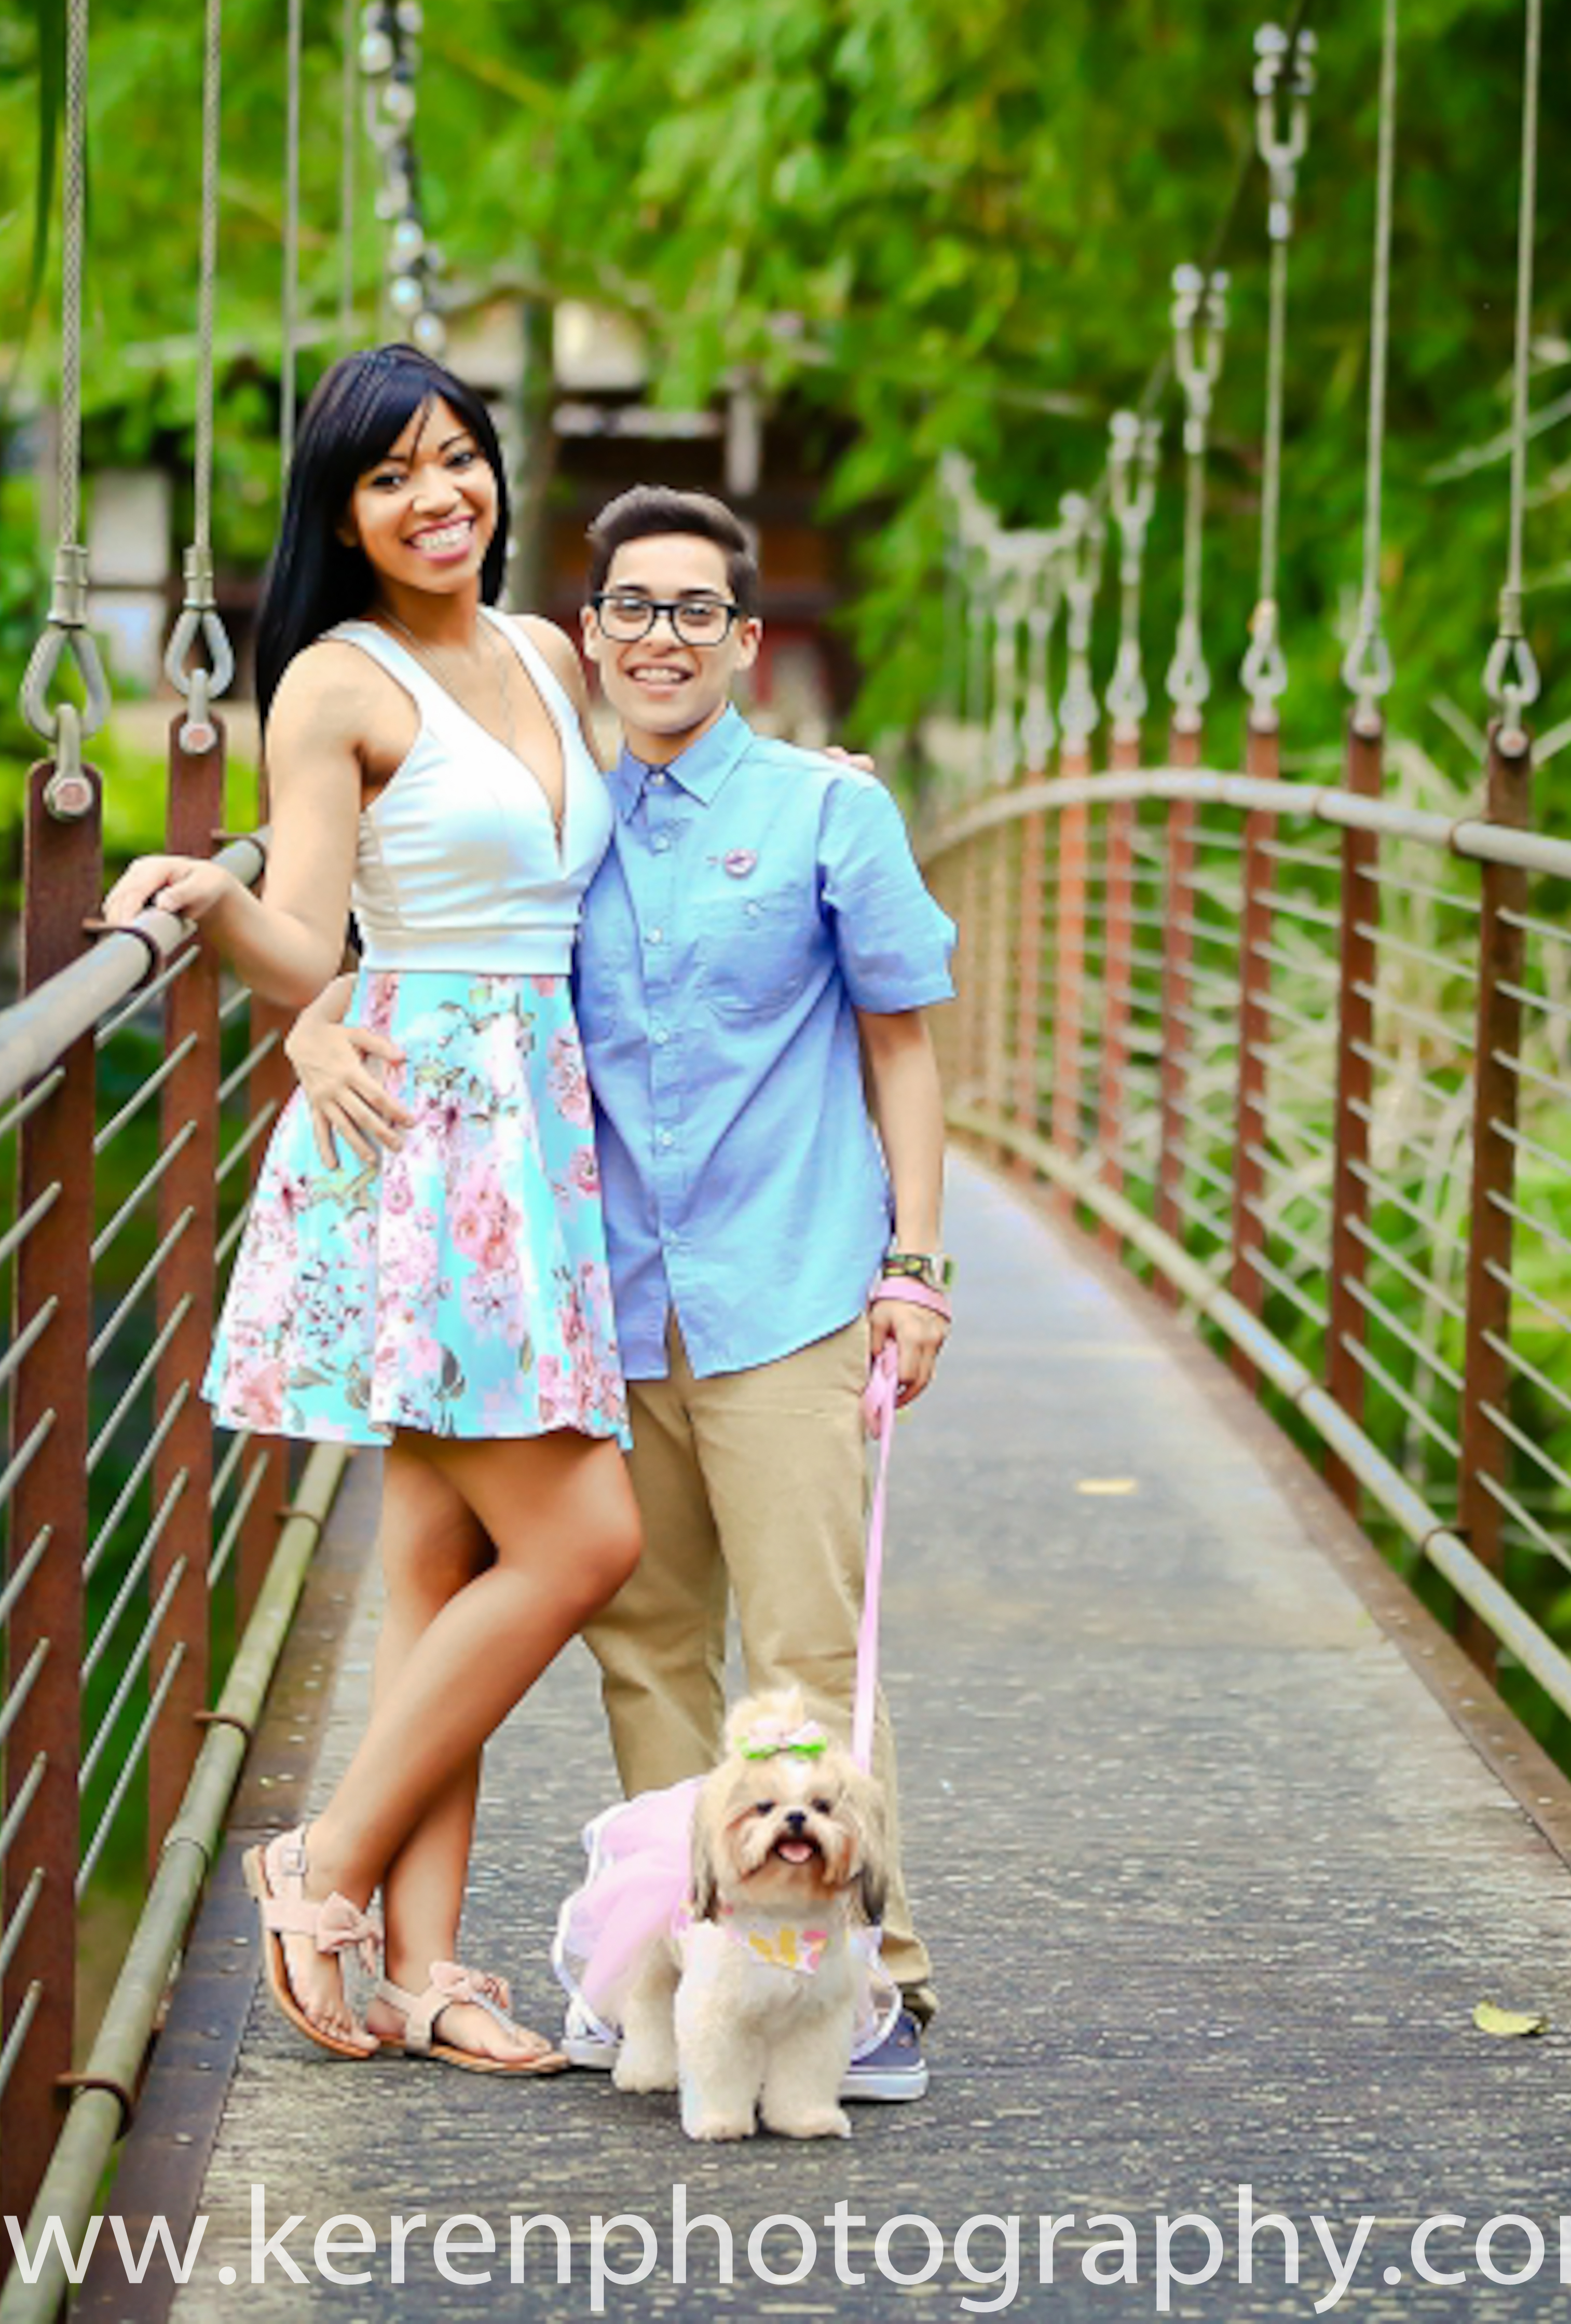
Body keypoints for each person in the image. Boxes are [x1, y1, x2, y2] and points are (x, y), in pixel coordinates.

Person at [290, 485, 958, 2100]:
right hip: (598, 1292)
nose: (661, 637)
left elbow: (902, 1044)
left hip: (787, 1290)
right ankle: (683, 1963)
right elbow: (397, 919)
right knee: (648, 1650)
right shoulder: (556, 817)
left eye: (695, 612)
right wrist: (309, 1013)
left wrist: (916, 1266)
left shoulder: (826, 810)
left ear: (745, 640)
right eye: (631, 610)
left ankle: (869, 1979)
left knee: (803, 1657)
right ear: (587, 637)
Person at [99, 345, 635, 2075]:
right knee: (584, 1541)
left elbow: (628, 854)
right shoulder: (337, 678)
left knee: (439, 1563)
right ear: (342, 510)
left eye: (457, 458)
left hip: (542, 1124)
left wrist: (818, 788)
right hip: (432, 1133)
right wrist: (208, 898)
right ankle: (319, 1865)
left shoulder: (549, 654)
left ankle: (426, 1969)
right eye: (391, 475)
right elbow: (314, 928)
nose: (437, 497)